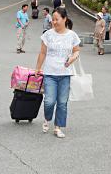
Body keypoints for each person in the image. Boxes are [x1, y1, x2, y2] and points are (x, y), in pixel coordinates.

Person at [35, 7, 80, 138]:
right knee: (49, 101)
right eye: (53, 19)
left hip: (65, 74)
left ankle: (57, 127)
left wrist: (72, 57)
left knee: (62, 102)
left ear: (64, 19)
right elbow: (43, 52)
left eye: (57, 19)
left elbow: (76, 51)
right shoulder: (48, 34)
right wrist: (37, 68)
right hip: (50, 73)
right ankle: (47, 118)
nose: (54, 22)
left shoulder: (72, 35)